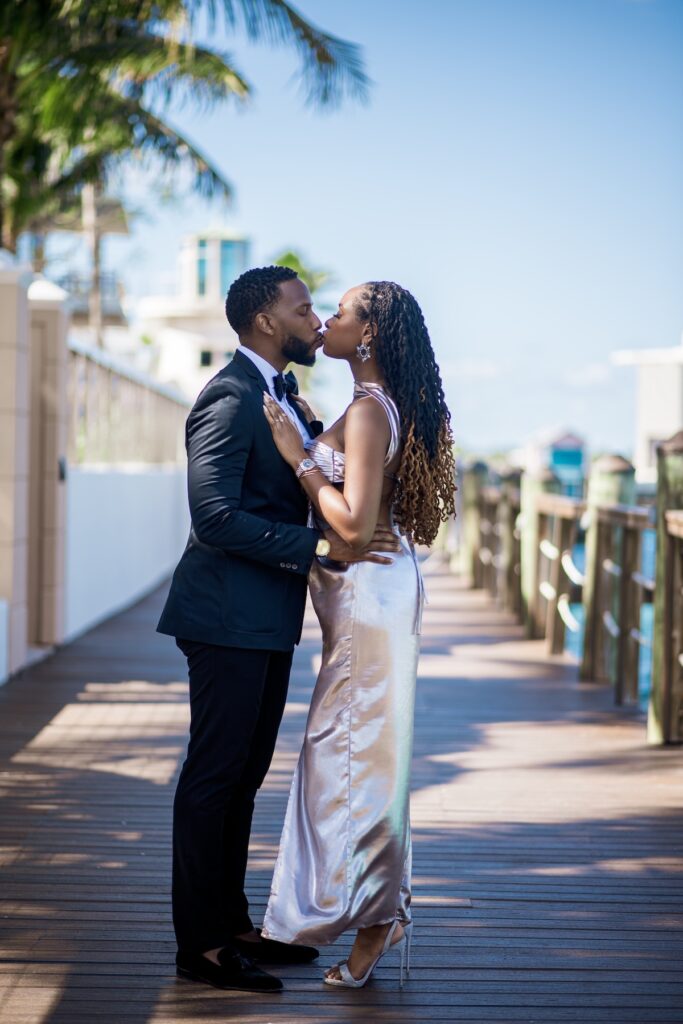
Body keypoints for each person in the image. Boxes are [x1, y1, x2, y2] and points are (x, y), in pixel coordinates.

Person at [156, 266, 400, 993]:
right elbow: (215, 517)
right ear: (267, 323)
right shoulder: (230, 398)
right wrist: (322, 549)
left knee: (242, 777)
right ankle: (199, 946)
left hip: (263, 618)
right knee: (213, 778)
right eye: (302, 310)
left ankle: (232, 925)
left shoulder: (282, 394)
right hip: (224, 616)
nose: (314, 319)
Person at [260, 280, 456, 989]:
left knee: (355, 757)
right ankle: (376, 907)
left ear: (368, 336)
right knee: (353, 753)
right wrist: (313, 432)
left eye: (338, 314)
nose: (326, 323)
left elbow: (346, 528)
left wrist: (299, 455)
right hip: (363, 599)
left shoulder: (371, 412)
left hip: (368, 597)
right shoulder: (362, 407)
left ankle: (377, 914)